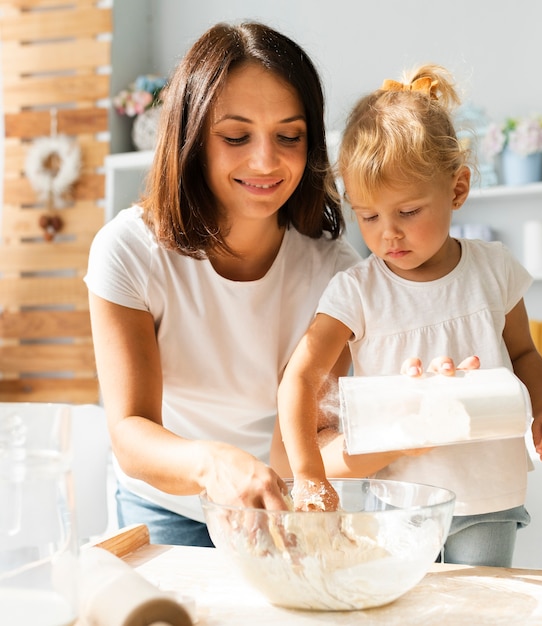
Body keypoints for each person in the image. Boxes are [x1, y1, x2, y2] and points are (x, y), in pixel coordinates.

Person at [275, 64, 542, 566]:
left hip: (490, 495)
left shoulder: (494, 268)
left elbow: (524, 353)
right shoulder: (357, 290)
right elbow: (299, 379)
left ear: (457, 190)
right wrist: (309, 474)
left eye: (408, 212)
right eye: (368, 216)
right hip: (400, 501)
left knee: (479, 611)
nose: (387, 234)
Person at [84, 21, 362, 546]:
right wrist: (213, 464)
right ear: (191, 139)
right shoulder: (129, 251)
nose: (266, 160)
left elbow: (295, 440)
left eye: (289, 136)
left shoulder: (336, 273)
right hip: (162, 504)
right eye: (236, 136)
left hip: (272, 503)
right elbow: (129, 434)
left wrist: (299, 497)